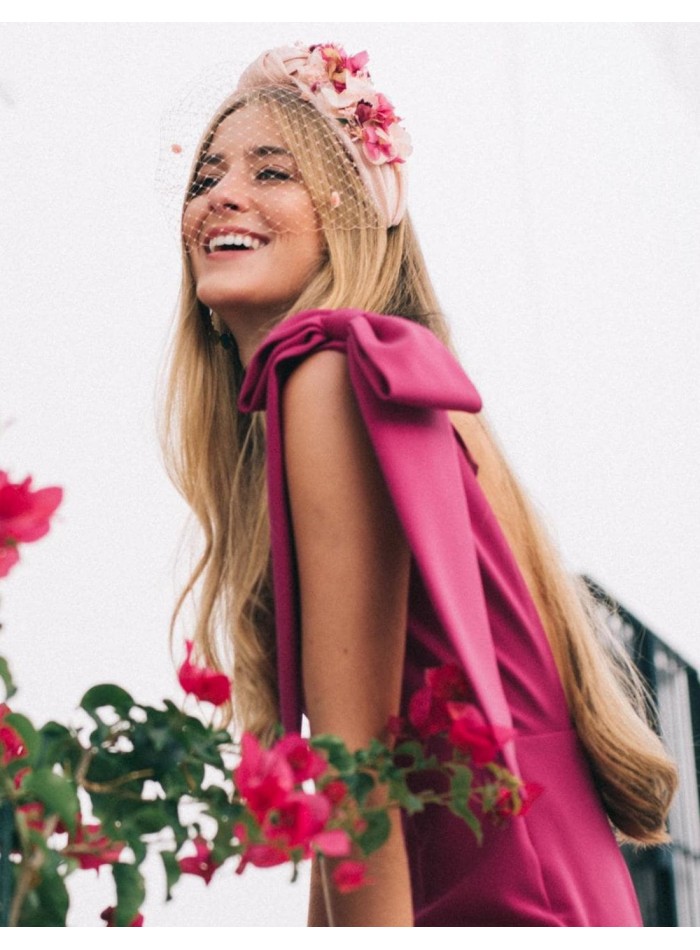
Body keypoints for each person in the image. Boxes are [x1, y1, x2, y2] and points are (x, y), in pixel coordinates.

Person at [162, 43, 678, 927]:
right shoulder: (394, 382)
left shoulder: (329, 368)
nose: (222, 193)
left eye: (271, 169)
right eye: (206, 173)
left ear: (352, 216)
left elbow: (353, 778)